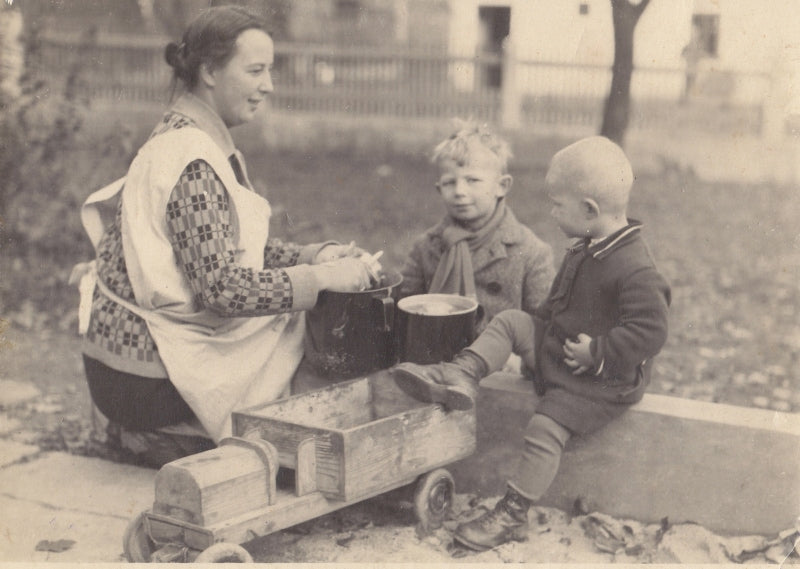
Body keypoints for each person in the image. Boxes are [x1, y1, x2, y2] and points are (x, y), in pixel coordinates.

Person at [70, 6, 375, 468]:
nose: (268, 85)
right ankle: (182, 437)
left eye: (270, 70)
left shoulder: (188, 134)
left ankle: (167, 434)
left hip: (124, 367)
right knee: (298, 326)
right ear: (209, 71)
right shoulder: (192, 158)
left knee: (295, 309)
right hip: (142, 378)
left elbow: (221, 251)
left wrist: (316, 255)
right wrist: (321, 279)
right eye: (255, 70)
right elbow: (223, 289)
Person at [393, 136, 671, 550]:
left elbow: (650, 330)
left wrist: (596, 353)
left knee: (544, 427)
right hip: (564, 349)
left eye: (558, 205)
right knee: (510, 322)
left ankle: (514, 511)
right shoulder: (587, 245)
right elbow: (553, 306)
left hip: (600, 380)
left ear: (589, 210)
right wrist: (535, 339)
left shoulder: (634, 268)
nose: (552, 212)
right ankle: (462, 375)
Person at [399, 119, 554, 336]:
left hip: (500, 362)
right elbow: (403, 309)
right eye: (449, 183)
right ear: (439, 188)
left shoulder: (531, 252)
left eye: (472, 180)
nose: (460, 191)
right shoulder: (426, 246)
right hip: (434, 355)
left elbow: (544, 326)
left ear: (502, 186)